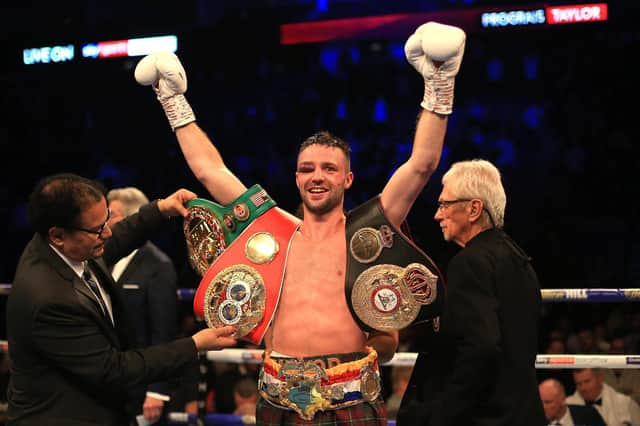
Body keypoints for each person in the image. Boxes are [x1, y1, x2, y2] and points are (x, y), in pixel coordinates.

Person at [134, 21, 465, 424]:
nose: (317, 176)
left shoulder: (364, 232)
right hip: (278, 398)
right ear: (296, 177)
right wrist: (172, 100)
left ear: (347, 179)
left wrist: (440, 84)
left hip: (350, 398)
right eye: (307, 168)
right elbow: (210, 170)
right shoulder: (274, 230)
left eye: (329, 168)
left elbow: (421, 165)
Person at [6, 173, 237, 426]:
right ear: (58, 236)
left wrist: (161, 209)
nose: (106, 233)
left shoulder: (63, 247)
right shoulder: (50, 299)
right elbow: (113, 370)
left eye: (106, 220)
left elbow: (117, 238)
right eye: (97, 229)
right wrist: (193, 345)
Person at [397, 159, 547, 425]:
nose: (437, 214)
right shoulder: (517, 257)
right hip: (521, 412)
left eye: (445, 204)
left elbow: (481, 348)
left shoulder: (470, 262)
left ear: (474, 209)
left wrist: (444, 415)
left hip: (484, 416)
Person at [107, 186, 181, 425]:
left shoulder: (158, 265)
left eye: (112, 215)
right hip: (109, 379)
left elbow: (164, 331)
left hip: (141, 381)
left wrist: (156, 390)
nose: (105, 221)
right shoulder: (100, 258)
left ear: (131, 218)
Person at [566, 368, 640, 426]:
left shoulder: (625, 403)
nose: (583, 388)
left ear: (600, 378)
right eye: (579, 384)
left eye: (587, 381)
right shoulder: (567, 406)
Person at [538, 378, 605, 426]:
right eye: (540, 402)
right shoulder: (534, 422)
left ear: (562, 400)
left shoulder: (589, 414)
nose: (543, 407)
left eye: (548, 402)